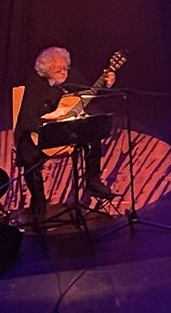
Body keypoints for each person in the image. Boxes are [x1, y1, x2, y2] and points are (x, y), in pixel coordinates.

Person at [14, 46, 116, 215]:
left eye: (65, 68)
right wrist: (47, 123)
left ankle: (93, 181)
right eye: (57, 70)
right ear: (46, 71)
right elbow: (27, 118)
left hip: (67, 128)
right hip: (41, 129)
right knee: (28, 152)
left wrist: (107, 84)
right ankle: (38, 198)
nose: (63, 72)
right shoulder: (35, 83)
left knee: (93, 131)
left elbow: (91, 96)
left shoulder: (71, 75)